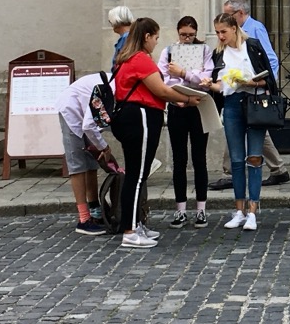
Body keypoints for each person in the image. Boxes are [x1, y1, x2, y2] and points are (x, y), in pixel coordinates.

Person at [111, 18, 196, 249]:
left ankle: (135, 223)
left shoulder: (127, 57)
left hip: (134, 117)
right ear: (146, 36)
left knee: (138, 174)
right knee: (136, 175)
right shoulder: (140, 59)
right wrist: (188, 99)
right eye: (156, 37)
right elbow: (161, 90)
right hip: (139, 117)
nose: (157, 42)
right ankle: (130, 231)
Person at [210, 0, 290, 189]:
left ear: (239, 14)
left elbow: (270, 59)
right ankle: (278, 170)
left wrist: (265, 84)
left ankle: (230, 174)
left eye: (228, 15)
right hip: (235, 95)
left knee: (251, 132)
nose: (225, 20)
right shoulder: (223, 46)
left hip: (255, 92)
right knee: (253, 132)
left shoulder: (254, 29)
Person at [207, 9, 276, 231]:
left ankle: (253, 210)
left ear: (234, 28)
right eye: (217, 32)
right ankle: (239, 210)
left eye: (223, 31)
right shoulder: (219, 54)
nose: (220, 36)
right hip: (232, 106)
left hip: (254, 103)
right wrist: (209, 85)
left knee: (254, 157)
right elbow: (221, 86)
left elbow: (269, 79)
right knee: (236, 159)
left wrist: (251, 83)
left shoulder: (252, 46)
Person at [160, 15, 212, 228]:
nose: (187, 39)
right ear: (178, 33)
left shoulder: (204, 50)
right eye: (183, 35)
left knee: (199, 158)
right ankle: (180, 210)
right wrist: (177, 94)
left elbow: (205, 79)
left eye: (191, 35)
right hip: (177, 108)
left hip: (198, 107)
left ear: (196, 33)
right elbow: (164, 79)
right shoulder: (168, 51)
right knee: (179, 159)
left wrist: (183, 73)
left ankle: (201, 209)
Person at [57, 72, 116, 234]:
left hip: (85, 112)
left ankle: (95, 209)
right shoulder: (109, 90)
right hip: (71, 110)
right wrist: (104, 147)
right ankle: (83, 219)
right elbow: (89, 125)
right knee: (77, 164)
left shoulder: (122, 86)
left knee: (91, 161)